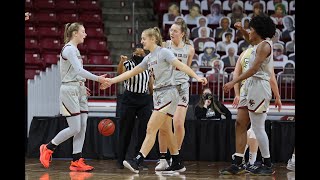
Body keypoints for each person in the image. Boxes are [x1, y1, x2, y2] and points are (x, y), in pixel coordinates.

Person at [100, 27, 207, 174]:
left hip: (169, 93)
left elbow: (181, 65)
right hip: (158, 95)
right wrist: (111, 81)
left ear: (153, 39)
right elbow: (131, 72)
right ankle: (177, 162)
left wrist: (196, 77)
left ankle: (137, 160)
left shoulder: (164, 52)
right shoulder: (149, 58)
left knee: (151, 127)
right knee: (166, 129)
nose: (142, 41)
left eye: (144, 38)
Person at [39, 22, 108, 171]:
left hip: (78, 89)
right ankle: (48, 147)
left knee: (82, 127)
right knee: (75, 127)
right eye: (83, 31)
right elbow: (78, 70)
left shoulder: (75, 50)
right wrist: (98, 79)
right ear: (75, 33)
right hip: (69, 90)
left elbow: (77, 74)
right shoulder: (69, 49)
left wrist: (82, 85)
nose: (86, 34)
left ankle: (76, 160)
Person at [222, 15, 281, 175]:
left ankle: (268, 164)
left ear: (259, 31)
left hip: (259, 86)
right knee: (240, 123)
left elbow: (253, 70)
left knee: (257, 127)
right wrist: (241, 30)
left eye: (252, 29)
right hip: (249, 86)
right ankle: (238, 162)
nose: (250, 32)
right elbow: (250, 39)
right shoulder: (258, 43)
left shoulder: (265, 46)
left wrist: (234, 82)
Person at [155, 19, 195, 171]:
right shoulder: (165, 46)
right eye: (170, 30)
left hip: (182, 87)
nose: (172, 33)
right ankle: (163, 158)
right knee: (163, 125)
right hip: (166, 87)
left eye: (175, 31)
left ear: (182, 33)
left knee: (178, 124)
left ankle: (174, 157)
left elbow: (187, 68)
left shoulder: (190, 49)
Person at [115, 44, 153, 169]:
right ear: (133, 54)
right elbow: (119, 74)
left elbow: (150, 83)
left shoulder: (148, 65)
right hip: (129, 98)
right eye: (137, 54)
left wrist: (153, 96)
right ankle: (120, 159)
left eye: (142, 55)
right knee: (126, 130)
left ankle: (139, 159)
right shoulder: (128, 64)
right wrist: (121, 61)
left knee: (144, 130)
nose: (140, 56)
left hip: (144, 99)